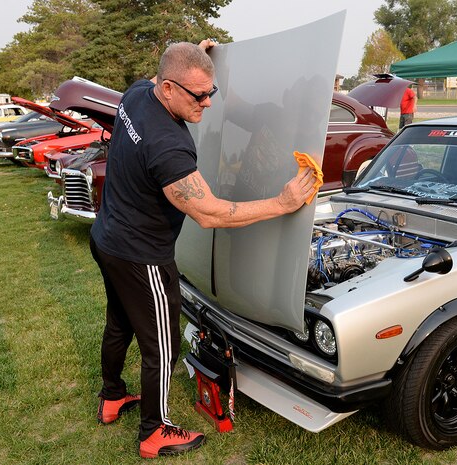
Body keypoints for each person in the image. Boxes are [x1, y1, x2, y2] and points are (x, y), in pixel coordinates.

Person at [89, 39, 316, 459]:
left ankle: (112, 396)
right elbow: (211, 213)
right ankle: (154, 432)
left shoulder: (137, 93)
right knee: (163, 346)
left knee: (119, 321)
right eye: (199, 95)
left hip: (107, 238)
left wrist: (193, 54)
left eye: (210, 92)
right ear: (169, 88)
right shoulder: (168, 145)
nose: (208, 103)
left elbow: (166, 71)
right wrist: (283, 203)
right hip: (141, 256)